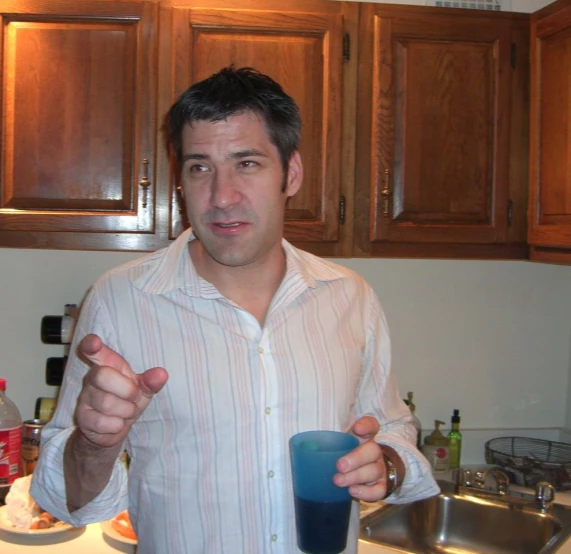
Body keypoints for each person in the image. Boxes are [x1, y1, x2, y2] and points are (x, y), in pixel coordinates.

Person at [31, 66, 438, 553]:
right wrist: (94, 445)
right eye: (200, 167)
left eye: (247, 163)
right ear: (179, 179)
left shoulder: (350, 297)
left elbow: (394, 428)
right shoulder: (119, 301)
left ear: (291, 174)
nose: (222, 197)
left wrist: (388, 465)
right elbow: (65, 498)